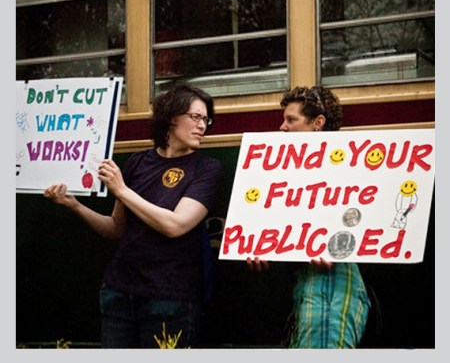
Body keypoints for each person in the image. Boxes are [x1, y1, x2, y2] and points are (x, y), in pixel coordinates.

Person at [44, 84, 223, 349]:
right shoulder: (138, 163)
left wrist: (122, 190)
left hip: (170, 297)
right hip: (119, 291)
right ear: (171, 118)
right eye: (195, 117)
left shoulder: (207, 168)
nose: (202, 126)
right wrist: (74, 205)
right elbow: (116, 229)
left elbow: (175, 225)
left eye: (206, 119)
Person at [248, 85, 371, 349]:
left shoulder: (347, 168)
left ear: (318, 123)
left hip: (331, 283)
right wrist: (258, 244)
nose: (282, 127)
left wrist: (334, 245)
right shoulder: (286, 174)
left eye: (291, 120)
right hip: (306, 281)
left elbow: (360, 220)